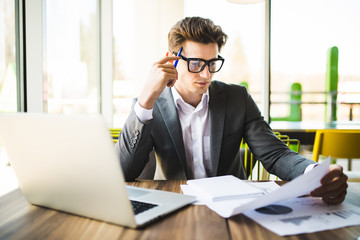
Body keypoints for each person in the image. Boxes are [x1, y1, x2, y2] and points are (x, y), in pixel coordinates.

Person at [115, 16, 348, 204]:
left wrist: (314, 173)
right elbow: (124, 172)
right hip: (175, 203)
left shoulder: (237, 98)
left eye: (212, 64)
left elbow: (275, 154)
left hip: (235, 206)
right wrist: (145, 101)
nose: (206, 75)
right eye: (196, 64)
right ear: (172, 60)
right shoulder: (150, 103)